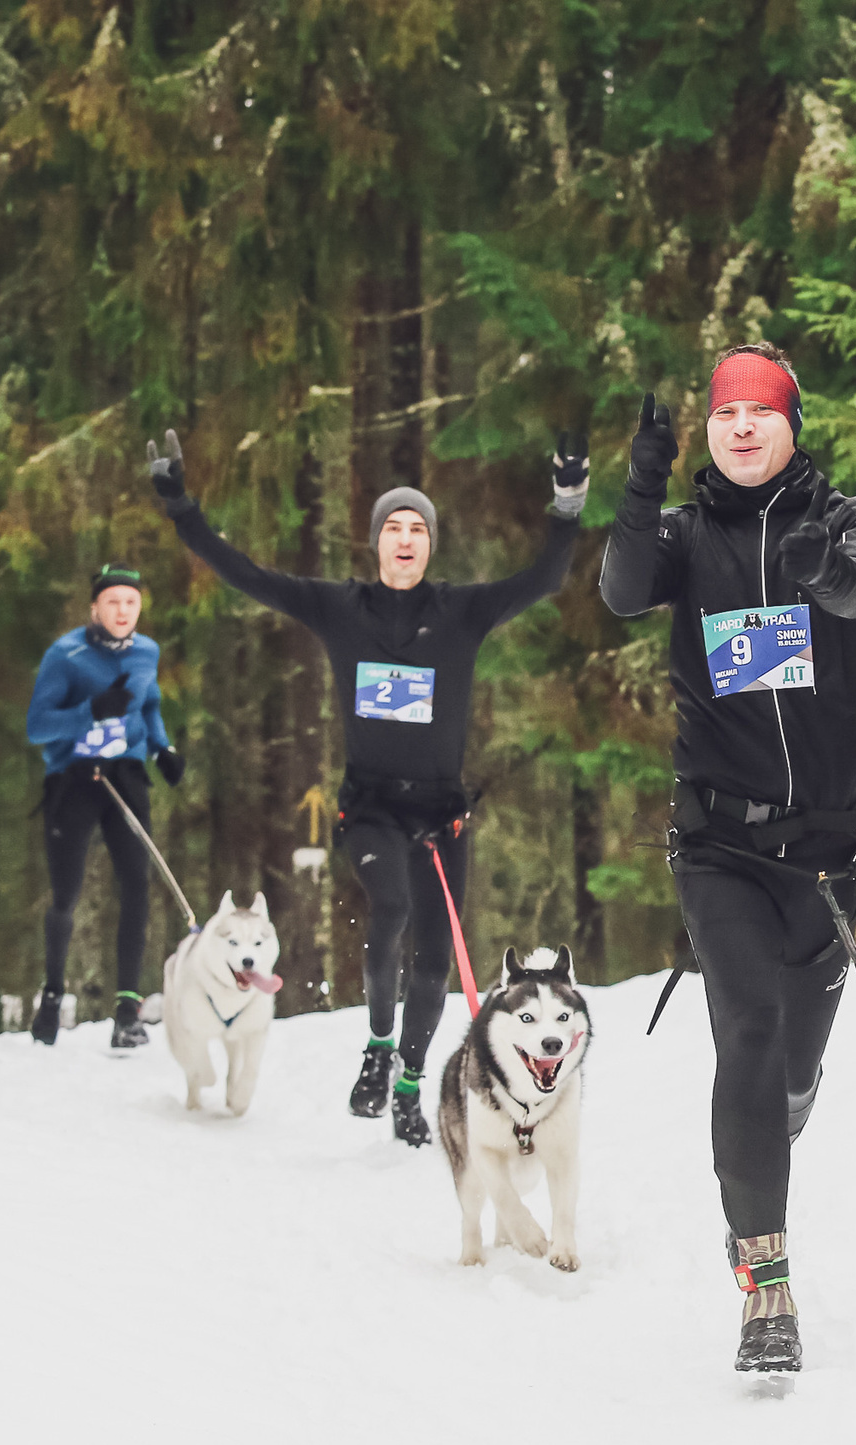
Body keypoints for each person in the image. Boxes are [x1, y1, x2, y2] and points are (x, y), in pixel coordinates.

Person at [146, 428, 588, 1143]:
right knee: (391, 904)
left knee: (436, 959)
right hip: (373, 810)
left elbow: (542, 579)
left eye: (418, 528)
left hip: (442, 816)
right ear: (377, 543)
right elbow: (246, 573)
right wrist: (181, 507)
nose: (405, 539)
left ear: (430, 545)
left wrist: (566, 505)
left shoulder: (461, 614)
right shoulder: (339, 608)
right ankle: (378, 1048)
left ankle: (411, 1080)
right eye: (393, 527)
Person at [599, 343, 856, 1375]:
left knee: (791, 1068)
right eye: (725, 412)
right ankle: (763, 1287)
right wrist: (640, 485)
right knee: (751, 1030)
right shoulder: (683, 538)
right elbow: (621, 587)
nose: (740, 428)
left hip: (822, 855)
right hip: (718, 843)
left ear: (791, 426)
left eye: (760, 413)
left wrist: (813, 559)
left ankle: (783, 1105)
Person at [24, 563, 183, 1048]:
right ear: (94, 607)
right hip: (75, 778)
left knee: (137, 883)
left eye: (131, 602)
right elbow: (37, 727)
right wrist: (89, 711)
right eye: (112, 602)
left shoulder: (147, 652)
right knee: (66, 892)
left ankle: (127, 1013)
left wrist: (161, 748)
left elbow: (149, 701)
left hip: (127, 775)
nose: (122, 611)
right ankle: (52, 993)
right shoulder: (66, 655)